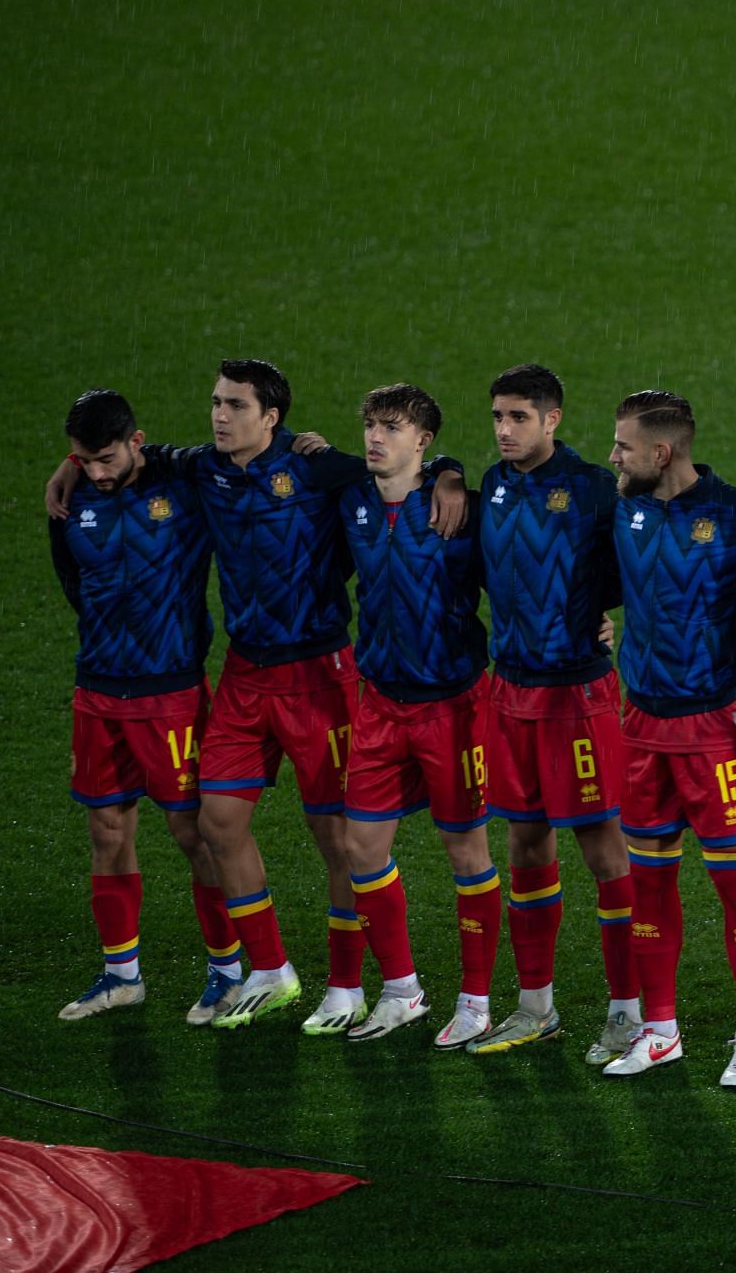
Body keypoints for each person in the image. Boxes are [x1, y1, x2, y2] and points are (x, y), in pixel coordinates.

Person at [46, 359, 467, 1032]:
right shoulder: (201, 469)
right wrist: (73, 464)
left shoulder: (317, 468)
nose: (218, 415)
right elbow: (132, 457)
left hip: (318, 673)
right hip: (244, 674)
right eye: (215, 401)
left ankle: (348, 984)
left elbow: (396, 469)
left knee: (336, 836)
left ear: (270, 417)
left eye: (234, 405)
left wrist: (448, 470)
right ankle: (270, 969)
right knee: (217, 820)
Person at [48, 389, 242, 1025]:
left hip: (171, 695)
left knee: (194, 834)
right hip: (97, 691)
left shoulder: (183, 485)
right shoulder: (71, 496)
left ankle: (228, 971)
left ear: (136, 442)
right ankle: (121, 974)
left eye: (106, 458)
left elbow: (232, 457)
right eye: (83, 460)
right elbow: (74, 582)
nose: (96, 473)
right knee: (106, 831)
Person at [467, 364, 640, 1061]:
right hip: (509, 689)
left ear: (552, 419)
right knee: (525, 842)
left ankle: (629, 1012)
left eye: (519, 418)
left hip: (577, 694)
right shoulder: (493, 482)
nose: (506, 431)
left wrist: (612, 615)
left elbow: (643, 553)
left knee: (604, 848)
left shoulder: (596, 489)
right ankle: (535, 1005)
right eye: (499, 418)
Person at [604, 390, 736, 1085]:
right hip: (642, 724)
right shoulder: (623, 504)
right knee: (649, 882)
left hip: (715, 728)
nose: (612, 456)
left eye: (623, 447)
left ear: (662, 452)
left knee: (734, 883)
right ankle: (660, 1029)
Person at [332, 384, 499, 1045]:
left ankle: (477, 1000)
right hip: (379, 705)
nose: (375, 436)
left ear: (422, 440)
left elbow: (517, 582)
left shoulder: (460, 511)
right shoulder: (351, 501)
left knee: (467, 850)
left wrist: (593, 621)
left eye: (391, 426)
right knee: (360, 846)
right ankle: (401, 990)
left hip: (453, 705)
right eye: (370, 424)